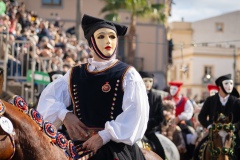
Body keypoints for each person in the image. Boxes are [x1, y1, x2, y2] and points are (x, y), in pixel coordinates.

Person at [37, 14, 149, 160]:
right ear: (91, 42)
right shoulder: (74, 73)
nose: (108, 41)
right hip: (79, 146)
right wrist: (64, 114)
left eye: (112, 37)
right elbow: (48, 99)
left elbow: (136, 114)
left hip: (114, 147)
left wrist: (104, 136)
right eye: (101, 36)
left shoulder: (128, 74)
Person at [194, 74, 240, 160]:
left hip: (231, 134)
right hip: (213, 133)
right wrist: (209, 125)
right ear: (220, 86)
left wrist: (234, 127)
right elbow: (201, 116)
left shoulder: (237, 102)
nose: (229, 86)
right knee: (198, 149)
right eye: (226, 83)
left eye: (231, 83)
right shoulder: (210, 100)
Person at [164, 81, 196, 160]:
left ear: (178, 89)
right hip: (165, 124)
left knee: (189, 136)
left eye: (174, 89)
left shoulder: (184, 100)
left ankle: (188, 154)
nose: (172, 91)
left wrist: (179, 118)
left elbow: (189, 112)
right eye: (171, 88)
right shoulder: (166, 99)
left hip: (180, 124)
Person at [139, 71, 166, 159]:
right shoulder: (134, 95)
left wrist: (148, 124)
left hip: (149, 131)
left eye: (150, 81)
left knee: (160, 151)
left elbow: (160, 116)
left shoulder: (156, 97)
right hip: (135, 130)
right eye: (145, 81)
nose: (148, 84)